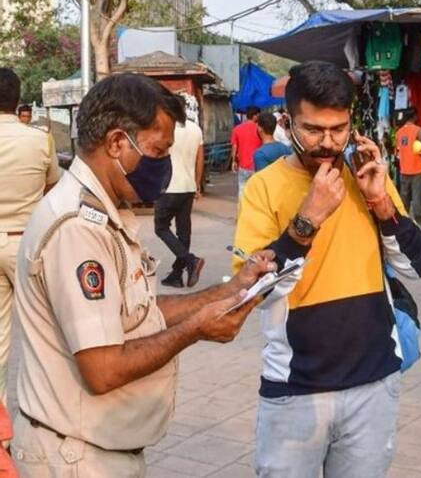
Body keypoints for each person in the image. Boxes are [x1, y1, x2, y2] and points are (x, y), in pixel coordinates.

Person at [11, 73, 276, 477]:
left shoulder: (107, 212)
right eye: (157, 151)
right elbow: (103, 370)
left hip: (94, 451)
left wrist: (227, 292)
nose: (163, 166)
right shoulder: (78, 228)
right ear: (117, 143)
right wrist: (196, 330)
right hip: (75, 458)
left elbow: (135, 312)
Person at [233, 61, 421, 478]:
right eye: (313, 130)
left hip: (373, 384)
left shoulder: (368, 175)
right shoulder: (262, 189)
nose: (327, 142)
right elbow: (249, 292)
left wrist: (381, 203)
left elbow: (415, 267)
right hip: (296, 388)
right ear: (288, 123)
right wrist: (306, 222)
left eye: (338, 129)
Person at [0, 68, 60, 406]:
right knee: (41, 330)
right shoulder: (40, 139)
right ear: (17, 100)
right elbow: (51, 185)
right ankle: (43, 411)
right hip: (26, 245)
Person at [154, 95, 206, 289]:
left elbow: (158, 154)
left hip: (167, 187)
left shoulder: (166, 128)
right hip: (187, 186)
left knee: (161, 227)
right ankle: (177, 274)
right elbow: (199, 159)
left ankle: (189, 260)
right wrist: (197, 184)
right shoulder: (195, 129)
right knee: (184, 230)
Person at [395, 108, 421, 224]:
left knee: (404, 195)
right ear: (414, 117)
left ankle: (403, 218)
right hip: (417, 168)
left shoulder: (399, 132)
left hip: (404, 168)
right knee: (417, 195)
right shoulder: (417, 130)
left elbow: (397, 151)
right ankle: (419, 219)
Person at [231, 105, 261, 199]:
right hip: (257, 165)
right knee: (256, 191)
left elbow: (234, 147)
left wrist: (234, 161)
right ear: (255, 116)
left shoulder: (237, 129)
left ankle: (241, 210)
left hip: (243, 165)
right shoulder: (260, 129)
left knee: (242, 188)